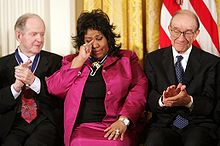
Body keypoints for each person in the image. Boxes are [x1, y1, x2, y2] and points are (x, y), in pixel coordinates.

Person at [46, 9, 147, 146]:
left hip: (116, 123)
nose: (95, 45)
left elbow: (139, 90)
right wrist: (79, 60)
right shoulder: (72, 61)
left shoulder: (126, 59)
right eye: (88, 40)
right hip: (83, 127)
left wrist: (124, 120)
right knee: (79, 143)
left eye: (99, 39)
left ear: (108, 37)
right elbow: (54, 88)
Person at [144, 10, 220, 146]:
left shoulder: (211, 63)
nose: (181, 37)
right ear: (169, 29)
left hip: (197, 124)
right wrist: (163, 100)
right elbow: (148, 98)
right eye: (176, 31)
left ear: (196, 34)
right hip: (164, 124)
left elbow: (211, 103)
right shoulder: (152, 59)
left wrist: (188, 101)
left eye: (188, 32)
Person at [0, 13, 64, 146]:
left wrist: (34, 82)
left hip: (45, 120)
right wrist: (16, 87)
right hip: (13, 123)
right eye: (34, 34)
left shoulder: (57, 62)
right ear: (19, 36)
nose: (39, 39)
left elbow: (60, 100)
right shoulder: (2, 65)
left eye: (42, 34)